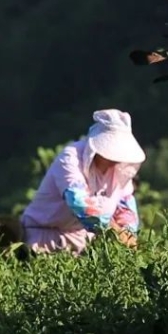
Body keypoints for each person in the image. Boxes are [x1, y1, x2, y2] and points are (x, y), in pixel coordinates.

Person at [20, 109, 145, 255]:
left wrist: (128, 235)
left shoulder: (119, 171)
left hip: (81, 244)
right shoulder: (71, 158)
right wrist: (116, 231)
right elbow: (79, 204)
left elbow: (126, 208)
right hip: (42, 239)